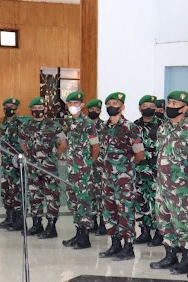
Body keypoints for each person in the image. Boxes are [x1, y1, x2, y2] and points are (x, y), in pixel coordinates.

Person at [150, 90, 188, 273]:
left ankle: (187, 259)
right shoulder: (163, 128)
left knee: (183, 223)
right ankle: (170, 255)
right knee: (164, 221)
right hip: (162, 185)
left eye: (175, 104)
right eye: (169, 103)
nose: (170, 107)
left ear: (186, 108)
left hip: (182, 187)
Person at [98, 92, 144, 260]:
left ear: (122, 107)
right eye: (109, 103)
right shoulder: (104, 127)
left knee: (125, 211)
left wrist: (126, 169)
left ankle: (128, 247)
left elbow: (140, 154)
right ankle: (115, 243)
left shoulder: (130, 127)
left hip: (124, 179)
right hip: (107, 178)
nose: (112, 106)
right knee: (109, 211)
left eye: (115, 103)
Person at [19, 97, 67, 239]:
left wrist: (53, 156)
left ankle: (51, 227)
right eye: (35, 108)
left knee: (52, 196)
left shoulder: (53, 125)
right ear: (31, 110)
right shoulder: (25, 126)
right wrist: (30, 155)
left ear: (45, 109)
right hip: (33, 167)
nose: (37, 110)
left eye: (40, 108)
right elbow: (22, 143)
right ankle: (36, 224)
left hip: (49, 168)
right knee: (35, 196)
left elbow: (63, 143)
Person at [60, 91, 100, 249]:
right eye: (70, 104)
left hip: (83, 171)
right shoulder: (70, 123)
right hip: (71, 170)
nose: (72, 106)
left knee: (84, 202)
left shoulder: (88, 123)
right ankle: (78, 234)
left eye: (76, 104)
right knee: (74, 202)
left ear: (82, 105)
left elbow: (96, 147)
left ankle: (85, 238)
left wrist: (88, 164)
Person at [133, 95, 164, 246]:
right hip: (139, 171)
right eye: (144, 105)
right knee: (141, 202)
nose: (148, 108)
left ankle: (159, 233)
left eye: (151, 105)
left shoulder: (162, 125)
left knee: (157, 203)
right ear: (139, 108)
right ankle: (144, 231)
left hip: (156, 172)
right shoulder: (134, 126)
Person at [0, 97, 25, 230]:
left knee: (17, 191)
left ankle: (19, 221)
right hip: (5, 163)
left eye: (12, 106)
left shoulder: (20, 123)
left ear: (16, 109)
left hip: (16, 164)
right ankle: (9, 217)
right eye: (6, 106)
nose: (9, 108)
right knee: (6, 191)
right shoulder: (3, 123)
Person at [86, 98, 107, 235]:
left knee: (101, 194)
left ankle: (103, 224)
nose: (94, 111)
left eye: (97, 110)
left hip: (100, 166)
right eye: (92, 109)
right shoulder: (84, 125)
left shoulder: (104, 126)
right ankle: (92, 221)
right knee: (90, 194)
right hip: (86, 165)